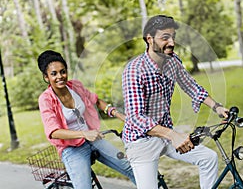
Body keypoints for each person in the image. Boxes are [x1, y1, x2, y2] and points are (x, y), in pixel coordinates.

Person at [122, 14, 229, 189]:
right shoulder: (134, 70)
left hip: (167, 135)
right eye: (165, 37)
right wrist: (173, 135)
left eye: (173, 37)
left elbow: (191, 85)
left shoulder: (172, 61)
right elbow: (135, 118)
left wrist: (216, 106)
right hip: (141, 141)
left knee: (208, 158)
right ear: (150, 39)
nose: (171, 42)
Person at [37, 50, 135, 189]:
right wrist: (84, 134)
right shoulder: (46, 99)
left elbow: (96, 100)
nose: (60, 76)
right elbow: (53, 131)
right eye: (54, 74)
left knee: (129, 167)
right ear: (46, 77)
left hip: (94, 139)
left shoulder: (75, 86)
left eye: (63, 71)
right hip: (72, 149)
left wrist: (120, 116)